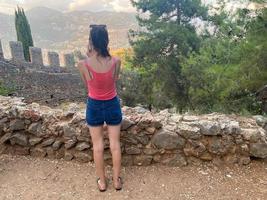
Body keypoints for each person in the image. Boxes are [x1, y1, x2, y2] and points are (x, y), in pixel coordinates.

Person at [76, 24, 123, 192]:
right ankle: (117, 181)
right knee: (115, 145)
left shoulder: (82, 64)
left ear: (91, 42)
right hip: (112, 104)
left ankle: (102, 182)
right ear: (106, 41)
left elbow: (87, 84)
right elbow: (115, 79)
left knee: (97, 147)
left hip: (94, 105)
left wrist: (90, 57)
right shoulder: (116, 61)